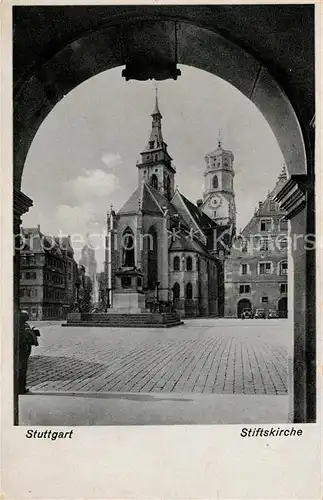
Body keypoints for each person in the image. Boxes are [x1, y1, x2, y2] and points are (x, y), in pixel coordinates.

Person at [18, 310, 40, 394]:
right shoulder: (26, 326)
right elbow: (33, 339)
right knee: (22, 369)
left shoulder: (13, 325)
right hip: (24, 350)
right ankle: (21, 388)